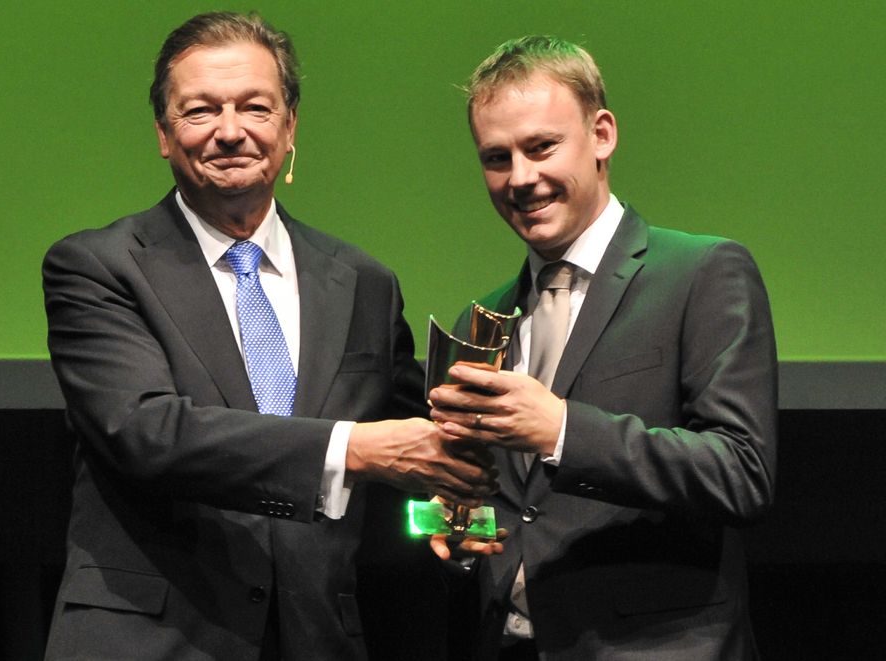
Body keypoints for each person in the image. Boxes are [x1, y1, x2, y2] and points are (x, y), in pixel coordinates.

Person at [42, 12, 495, 661]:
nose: (231, 131)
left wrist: (456, 501)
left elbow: (407, 453)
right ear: (164, 135)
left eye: (255, 107)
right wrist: (355, 447)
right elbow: (146, 432)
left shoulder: (365, 283)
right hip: (152, 638)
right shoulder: (98, 266)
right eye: (200, 111)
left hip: (318, 638)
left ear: (289, 130)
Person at [429, 36, 778, 660]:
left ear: (602, 135)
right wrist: (461, 525)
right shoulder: (488, 314)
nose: (521, 178)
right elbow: (508, 504)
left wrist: (561, 429)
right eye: (496, 157)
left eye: (541, 148)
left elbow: (741, 472)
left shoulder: (702, 273)